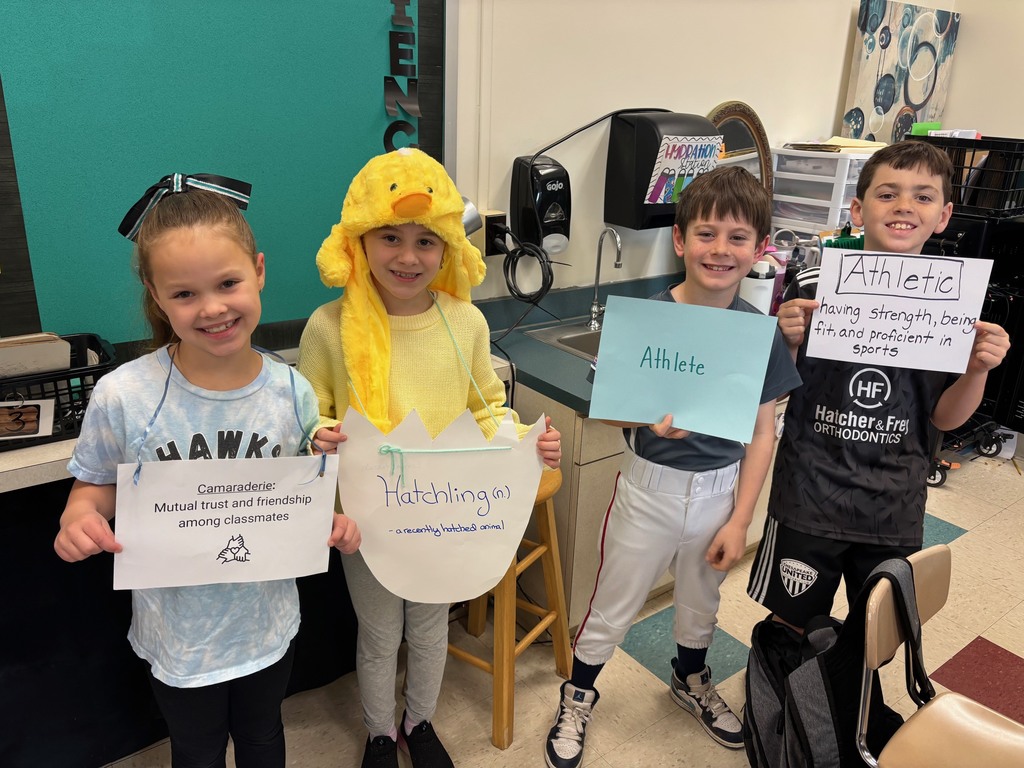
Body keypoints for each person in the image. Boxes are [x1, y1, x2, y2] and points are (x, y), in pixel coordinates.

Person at [53, 175, 361, 768]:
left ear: (260, 271)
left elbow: (301, 493)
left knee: (264, 737)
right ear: (155, 293)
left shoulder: (291, 390)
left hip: (267, 624)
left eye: (228, 283)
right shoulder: (124, 396)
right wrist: (78, 517)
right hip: (179, 637)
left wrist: (337, 518)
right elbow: (94, 486)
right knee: (195, 750)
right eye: (186, 293)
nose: (214, 308)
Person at [297, 147, 563, 768]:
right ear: (360, 240)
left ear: (448, 248)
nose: (408, 257)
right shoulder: (328, 327)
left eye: (426, 240)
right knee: (380, 633)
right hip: (366, 521)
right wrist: (318, 435)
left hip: (445, 513)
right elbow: (309, 413)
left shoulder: (464, 322)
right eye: (390, 237)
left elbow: (488, 407)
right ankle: (379, 733)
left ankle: (419, 721)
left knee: (427, 629)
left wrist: (525, 441)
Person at [544, 166, 802, 768]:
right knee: (615, 599)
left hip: (719, 494)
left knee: (701, 600)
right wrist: (641, 419)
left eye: (738, 238)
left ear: (759, 249)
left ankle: (690, 679)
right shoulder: (646, 322)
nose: (721, 249)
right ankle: (579, 692)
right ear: (680, 240)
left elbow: (764, 435)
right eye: (706, 234)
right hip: (649, 491)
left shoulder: (757, 334)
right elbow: (607, 411)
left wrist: (742, 520)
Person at [747, 140, 1011, 631]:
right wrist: (783, 342)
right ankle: (783, 703)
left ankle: (842, 706)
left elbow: (945, 419)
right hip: (808, 493)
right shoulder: (810, 286)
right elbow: (772, 393)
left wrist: (978, 370)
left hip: (894, 504)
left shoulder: (952, 302)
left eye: (923, 196)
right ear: (857, 208)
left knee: (875, 632)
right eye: (888, 194)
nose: (905, 206)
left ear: (944, 215)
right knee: (792, 623)